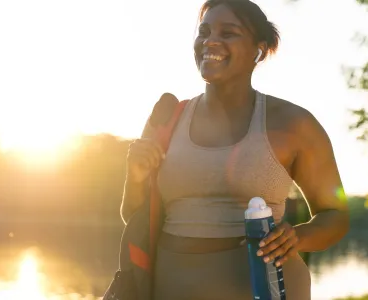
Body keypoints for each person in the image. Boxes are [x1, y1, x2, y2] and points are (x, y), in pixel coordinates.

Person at [121, 0, 349, 299]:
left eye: (228, 33)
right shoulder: (166, 119)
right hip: (171, 287)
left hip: (267, 288)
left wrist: (298, 236)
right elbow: (133, 217)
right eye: (204, 31)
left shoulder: (295, 124)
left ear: (259, 49)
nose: (210, 40)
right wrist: (134, 175)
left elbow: (336, 216)